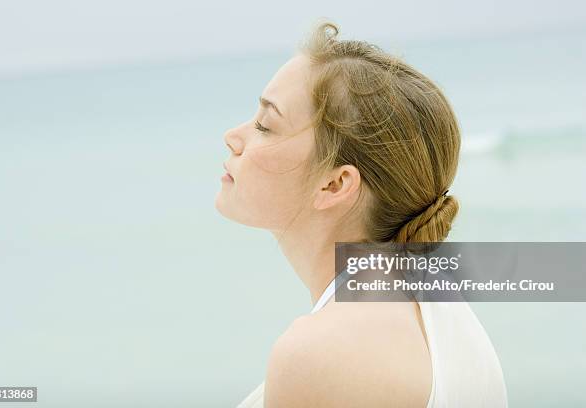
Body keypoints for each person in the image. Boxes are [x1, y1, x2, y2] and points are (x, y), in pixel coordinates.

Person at [215, 20, 508, 408]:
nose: (233, 136)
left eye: (266, 125)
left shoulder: (320, 353)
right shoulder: (432, 307)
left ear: (334, 184)